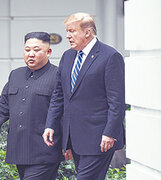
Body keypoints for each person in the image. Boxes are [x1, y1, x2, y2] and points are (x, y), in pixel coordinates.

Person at [42, 12, 125, 180]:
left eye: (72, 31)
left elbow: (116, 101)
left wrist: (109, 132)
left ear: (87, 32)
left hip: (100, 138)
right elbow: (59, 95)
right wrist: (50, 124)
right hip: (75, 138)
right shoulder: (68, 56)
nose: (67, 36)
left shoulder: (110, 56)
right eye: (67, 31)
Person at [0, 32, 63, 180]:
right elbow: (3, 108)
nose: (31, 54)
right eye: (27, 50)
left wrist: (69, 145)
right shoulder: (15, 75)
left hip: (45, 151)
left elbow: (65, 113)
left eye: (36, 50)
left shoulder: (58, 76)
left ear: (49, 52)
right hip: (19, 150)